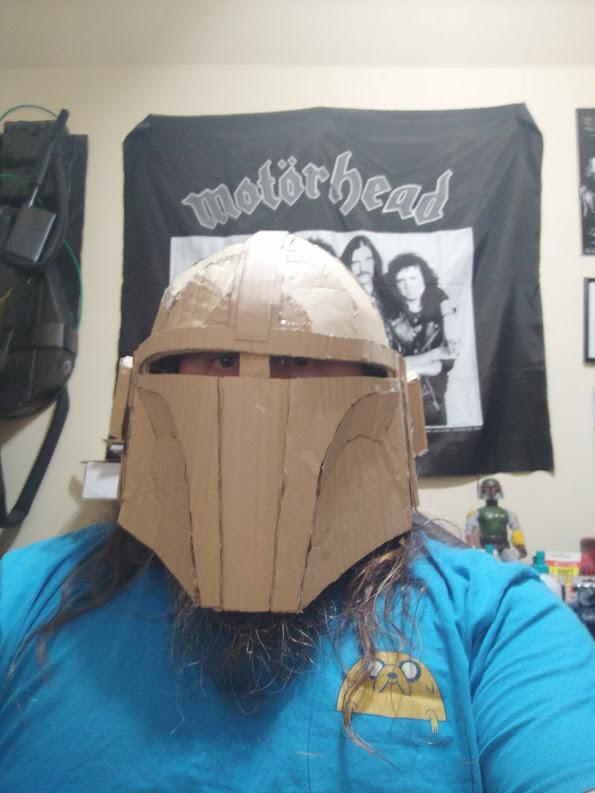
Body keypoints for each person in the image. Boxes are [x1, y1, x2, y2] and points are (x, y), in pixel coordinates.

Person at [1, 232, 594, 793]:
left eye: (299, 360)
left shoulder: (497, 625)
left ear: (392, 403)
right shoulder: (23, 596)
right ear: (142, 394)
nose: (254, 396)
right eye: (220, 360)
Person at [379, 252, 459, 426]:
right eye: (401, 281)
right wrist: (435, 354)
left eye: (413, 278)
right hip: (397, 402)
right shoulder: (390, 317)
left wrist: (410, 365)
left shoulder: (439, 308)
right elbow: (391, 363)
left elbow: (445, 362)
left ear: (424, 278)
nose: (408, 285)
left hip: (434, 402)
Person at [464, 477, 527, 561]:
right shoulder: (477, 513)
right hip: (487, 547)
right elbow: (469, 531)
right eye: (487, 488)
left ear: (498, 490)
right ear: (483, 490)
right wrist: (473, 548)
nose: (491, 491)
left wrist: (521, 546)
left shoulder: (507, 513)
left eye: (494, 488)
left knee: (513, 561)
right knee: (491, 561)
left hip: (504, 546)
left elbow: (516, 531)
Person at [340, 234, 384, 299]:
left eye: (368, 259)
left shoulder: (387, 297)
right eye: (355, 262)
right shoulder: (342, 297)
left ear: (375, 261)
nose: (363, 268)